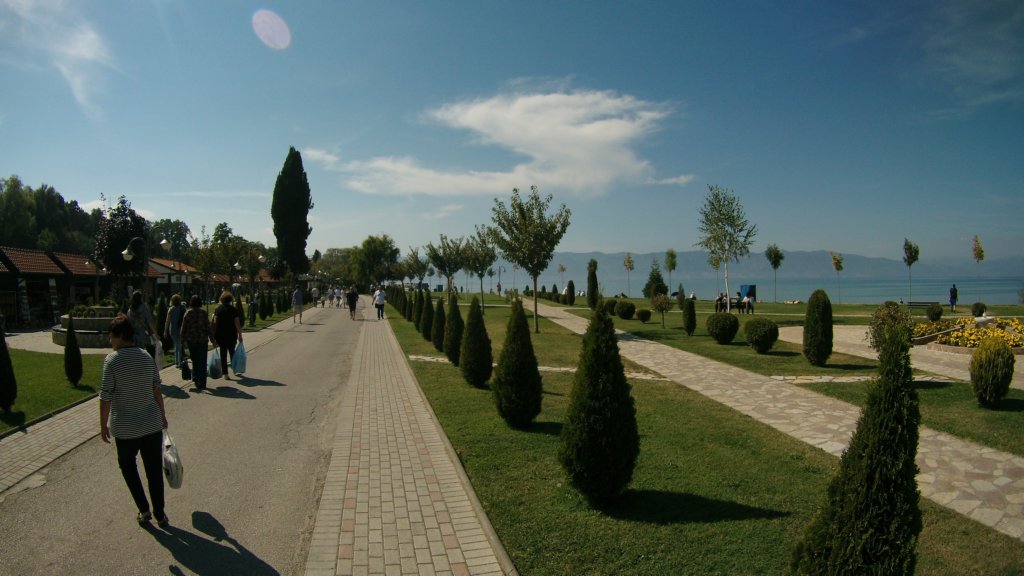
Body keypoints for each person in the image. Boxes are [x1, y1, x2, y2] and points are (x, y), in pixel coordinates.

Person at [100, 313, 169, 528]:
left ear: (120, 336)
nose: (110, 341)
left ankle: (144, 509)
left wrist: (103, 425)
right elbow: (156, 390)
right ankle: (160, 514)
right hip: (151, 424)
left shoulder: (112, 361)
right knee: (154, 471)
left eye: (111, 336)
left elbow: (105, 397)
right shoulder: (146, 356)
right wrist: (162, 415)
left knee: (128, 468)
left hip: (125, 428)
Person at [180, 294, 213, 390]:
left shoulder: (188, 313)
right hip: (203, 340)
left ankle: (196, 378)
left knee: (195, 360)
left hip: (192, 340)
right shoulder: (203, 313)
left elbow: (183, 328)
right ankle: (203, 382)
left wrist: (182, 340)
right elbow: (208, 327)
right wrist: (213, 339)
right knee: (202, 361)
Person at [212, 291, 243, 380]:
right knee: (232, 352)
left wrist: (213, 336)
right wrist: (240, 334)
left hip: (221, 335)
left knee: (223, 354)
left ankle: (225, 373)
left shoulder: (218, 310)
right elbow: (237, 323)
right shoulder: (234, 310)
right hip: (231, 335)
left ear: (222, 299)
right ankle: (235, 369)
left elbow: (215, 323)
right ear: (230, 300)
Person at [126, 290, 158, 357]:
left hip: (134, 336)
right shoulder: (144, 307)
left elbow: (128, 324)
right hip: (145, 335)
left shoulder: (130, 310)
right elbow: (150, 322)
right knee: (151, 354)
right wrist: (156, 334)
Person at [163, 294, 186, 368]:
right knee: (179, 346)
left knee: (176, 345)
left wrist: (165, 331)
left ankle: (176, 361)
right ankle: (179, 362)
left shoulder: (171, 309)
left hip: (172, 330)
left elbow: (167, 321)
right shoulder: (182, 308)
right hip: (181, 329)